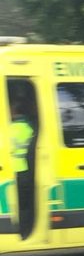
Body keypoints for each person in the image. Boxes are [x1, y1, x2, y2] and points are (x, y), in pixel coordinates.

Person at [9, 96, 35, 239]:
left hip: (15, 170)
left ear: (14, 111)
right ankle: (25, 230)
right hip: (25, 169)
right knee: (25, 204)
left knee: (20, 204)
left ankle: (22, 231)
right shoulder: (29, 127)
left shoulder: (10, 128)